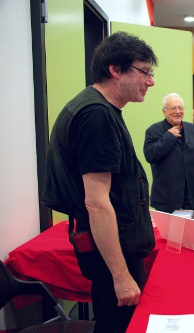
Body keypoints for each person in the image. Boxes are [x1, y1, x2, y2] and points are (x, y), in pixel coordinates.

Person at [41, 32, 158, 332]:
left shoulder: (97, 108)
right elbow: (96, 201)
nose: (150, 81)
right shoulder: (96, 115)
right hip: (112, 248)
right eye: (144, 72)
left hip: (113, 242)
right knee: (116, 324)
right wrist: (120, 275)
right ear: (115, 70)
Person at [144, 93, 194, 214]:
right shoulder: (153, 131)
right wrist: (168, 137)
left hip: (193, 196)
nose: (177, 111)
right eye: (173, 108)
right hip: (167, 198)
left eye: (180, 108)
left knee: (193, 232)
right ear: (164, 111)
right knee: (168, 233)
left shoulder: (193, 129)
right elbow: (150, 155)